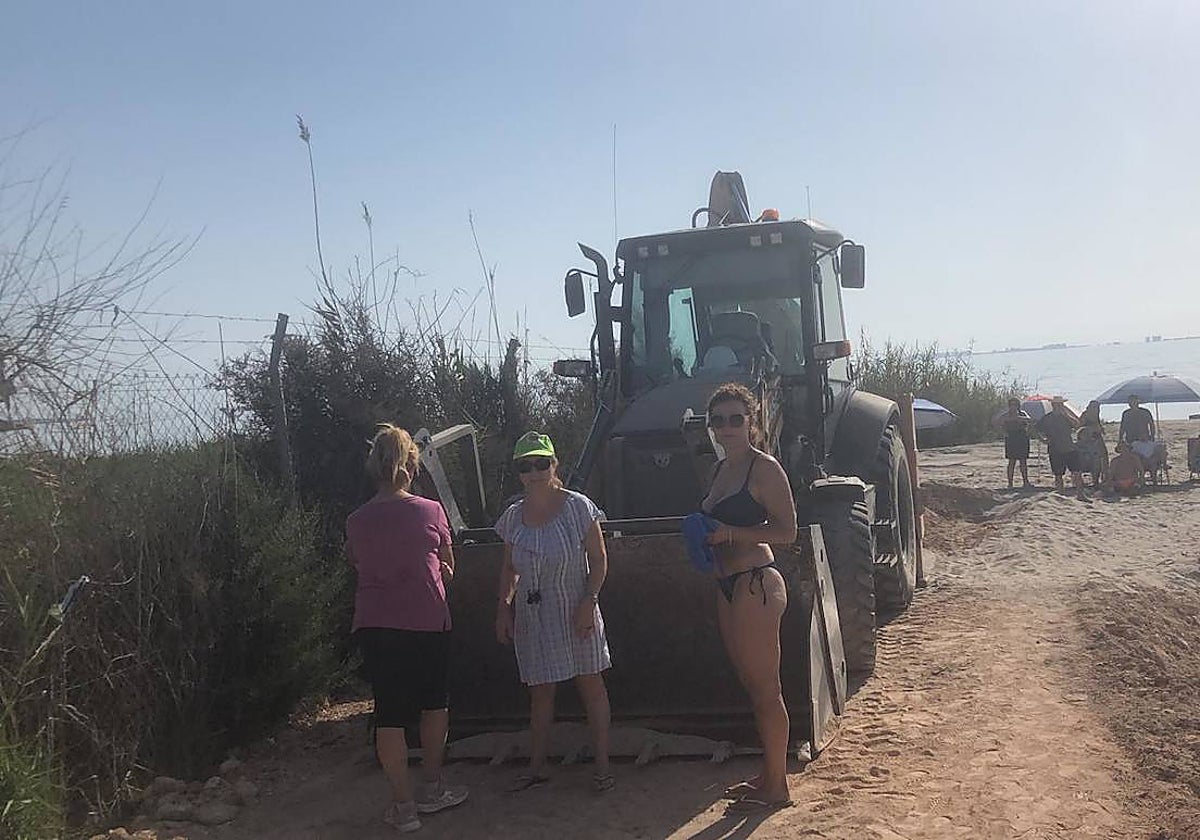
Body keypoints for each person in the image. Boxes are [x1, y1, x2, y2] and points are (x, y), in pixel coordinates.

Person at [345, 424, 469, 834]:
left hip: (379, 625)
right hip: (428, 620)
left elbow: (359, 565)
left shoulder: (356, 521)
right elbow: (447, 566)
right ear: (412, 466)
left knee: (390, 716)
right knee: (434, 705)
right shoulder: (431, 512)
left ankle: (404, 808)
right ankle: (433, 788)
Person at [494, 432, 614, 794]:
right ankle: (537, 766)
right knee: (541, 692)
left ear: (554, 464)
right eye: (525, 466)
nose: (534, 472)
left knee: (591, 685)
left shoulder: (578, 507)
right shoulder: (513, 517)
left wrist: (589, 601)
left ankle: (603, 766)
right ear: (518, 472)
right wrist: (503, 608)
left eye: (540, 463)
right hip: (535, 616)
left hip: (577, 609)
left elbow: (598, 560)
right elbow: (509, 569)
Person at [700, 383, 798, 814]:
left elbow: (788, 532)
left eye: (735, 418)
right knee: (752, 686)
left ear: (751, 422)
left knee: (766, 688)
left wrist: (732, 534)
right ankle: (769, 773)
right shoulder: (721, 471)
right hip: (728, 583)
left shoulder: (764, 468)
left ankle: (777, 787)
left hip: (756, 582)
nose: (727, 427)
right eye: (718, 420)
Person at [1036, 396, 1084, 491]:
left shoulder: (1066, 416)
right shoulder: (1047, 418)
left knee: (1077, 472)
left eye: (1061, 404)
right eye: (1057, 404)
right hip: (1055, 449)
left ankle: (1080, 493)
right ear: (1053, 405)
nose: (1059, 406)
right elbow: (1035, 429)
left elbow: (1077, 424)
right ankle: (1061, 493)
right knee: (1058, 474)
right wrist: (1043, 440)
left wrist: (1066, 414)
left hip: (1069, 447)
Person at [994, 397, 1033, 488]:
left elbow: (1029, 419)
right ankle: (1010, 483)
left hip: (1022, 437)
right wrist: (1003, 432)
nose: (1013, 407)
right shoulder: (1006, 415)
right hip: (1011, 437)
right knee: (1012, 461)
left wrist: (1019, 418)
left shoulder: (1022, 413)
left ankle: (1025, 481)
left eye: (1015, 405)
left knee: (1023, 461)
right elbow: (996, 422)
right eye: (1011, 405)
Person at [1077, 400, 1109, 487]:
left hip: (1097, 437)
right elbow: (1079, 426)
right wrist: (1089, 430)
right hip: (1087, 438)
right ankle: (1094, 479)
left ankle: (1103, 477)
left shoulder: (1096, 414)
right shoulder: (1085, 414)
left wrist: (1101, 429)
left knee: (1103, 456)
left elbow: (1098, 424)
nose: (1097, 409)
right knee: (1093, 457)